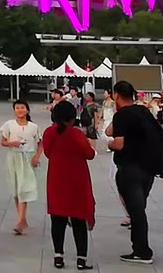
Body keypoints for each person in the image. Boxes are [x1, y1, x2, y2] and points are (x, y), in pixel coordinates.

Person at [107, 80, 163, 265]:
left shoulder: (122, 115)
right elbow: (110, 130)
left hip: (130, 168)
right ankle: (141, 248)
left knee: (136, 211)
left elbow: (118, 143)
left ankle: (142, 251)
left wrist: (110, 144)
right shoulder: (143, 111)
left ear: (116, 95)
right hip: (147, 169)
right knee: (139, 208)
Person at [43, 99, 95, 271]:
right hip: (76, 180)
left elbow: (47, 152)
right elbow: (90, 154)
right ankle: (81, 259)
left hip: (56, 179)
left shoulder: (49, 132)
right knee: (78, 219)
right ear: (72, 117)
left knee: (57, 219)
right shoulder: (76, 134)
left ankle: (58, 256)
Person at [0, 100, 42, 235]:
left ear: (27, 110)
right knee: (16, 189)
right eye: (17, 108)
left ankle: (21, 221)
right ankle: (22, 219)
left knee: (24, 188)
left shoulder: (33, 127)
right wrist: (12, 143)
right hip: (13, 157)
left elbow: (40, 143)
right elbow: (3, 142)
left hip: (27, 158)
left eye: (22, 107)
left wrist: (36, 157)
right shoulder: (9, 125)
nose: (20, 110)